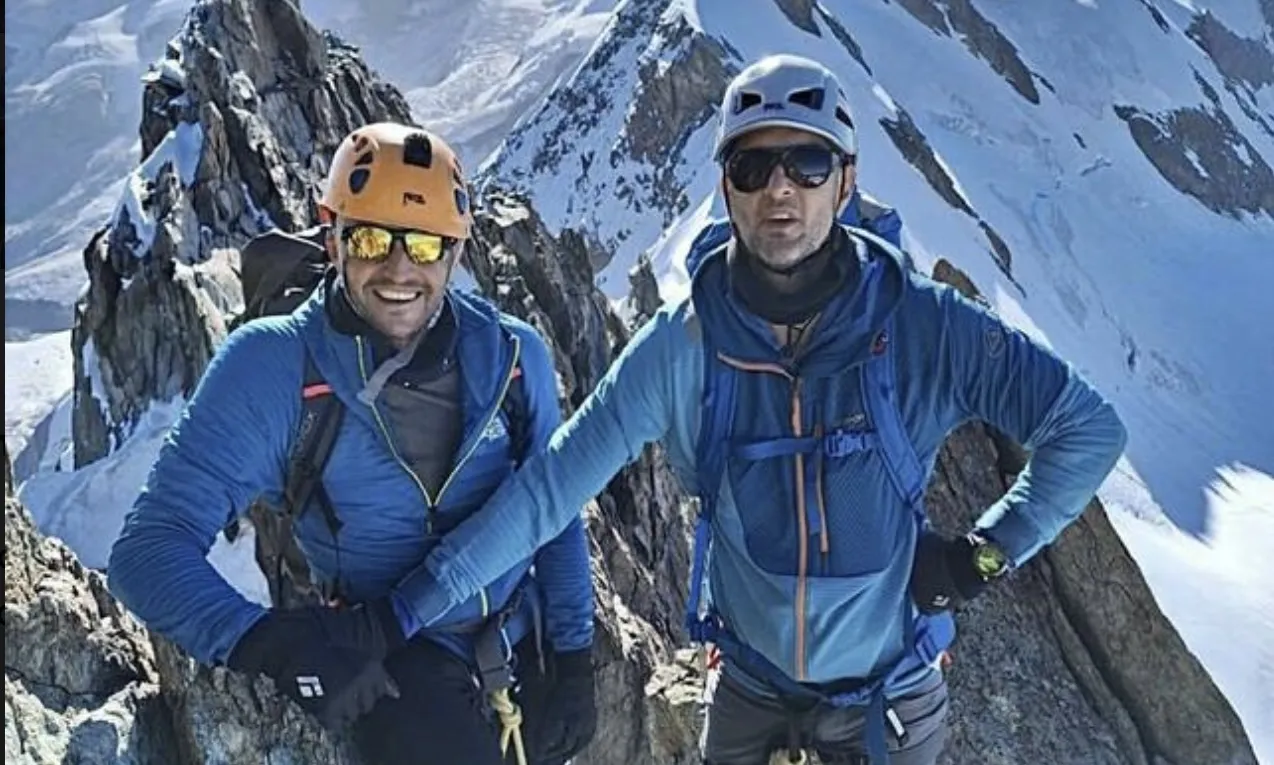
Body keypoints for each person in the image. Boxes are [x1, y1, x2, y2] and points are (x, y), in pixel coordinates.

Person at [378, 54, 1130, 764]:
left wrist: (978, 558)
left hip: (886, 697)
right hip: (748, 689)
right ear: (727, 186)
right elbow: (548, 494)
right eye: (752, 165)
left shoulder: (921, 325)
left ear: (845, 182)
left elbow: (1087, 428)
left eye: (808, 163)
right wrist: (398, 615)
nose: (781, 188)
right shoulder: (683, 345)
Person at [107, 122, 598, 765]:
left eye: (424, 245)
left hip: (519, 641)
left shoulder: (512, 356)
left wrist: (575, 658)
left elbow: (553, 513)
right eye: (371, 238)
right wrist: (282, 647)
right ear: (332, 235)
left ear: (455, 252)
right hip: (389, 660)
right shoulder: (275, 366)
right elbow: (145, 553)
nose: (399, 269)